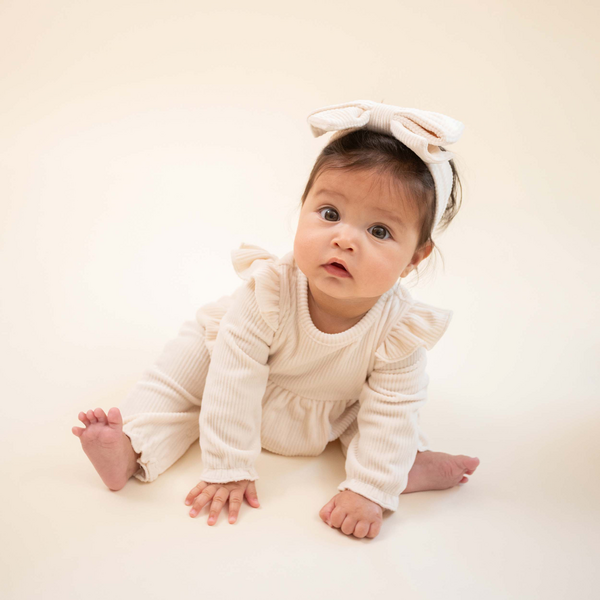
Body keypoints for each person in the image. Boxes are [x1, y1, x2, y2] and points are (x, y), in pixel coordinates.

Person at [72, 99, 480, 539]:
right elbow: (233, 379)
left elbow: (391, 409)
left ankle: (398, 471)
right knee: (180, 381)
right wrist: (228, 466)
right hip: (226, 373)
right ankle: (129, 447)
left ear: (414, 259)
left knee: (389, 424)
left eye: (379, 231)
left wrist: (369, 490)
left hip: (330, 406)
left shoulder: (400, 332)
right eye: (330, 214)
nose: (344, 239)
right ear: (302, 207)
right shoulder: (267, 291)